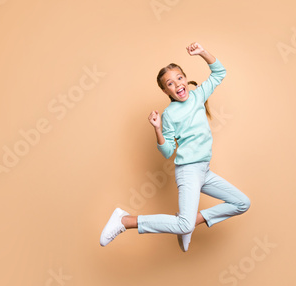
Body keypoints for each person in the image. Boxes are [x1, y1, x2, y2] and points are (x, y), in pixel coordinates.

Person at [100, 42, 250, 251]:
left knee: (242, 203)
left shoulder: (198, 96)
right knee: (183, 223)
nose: (177, 84)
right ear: (165, 90)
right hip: (188, 171)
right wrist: (158, 129)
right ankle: (125, 220)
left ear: (186, 79)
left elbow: (219, 72)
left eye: (179, 78)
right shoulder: (169, 115)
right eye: (170, 83)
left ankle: (190, 224)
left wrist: (202, 53)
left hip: (204, 170)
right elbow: (168, 151)